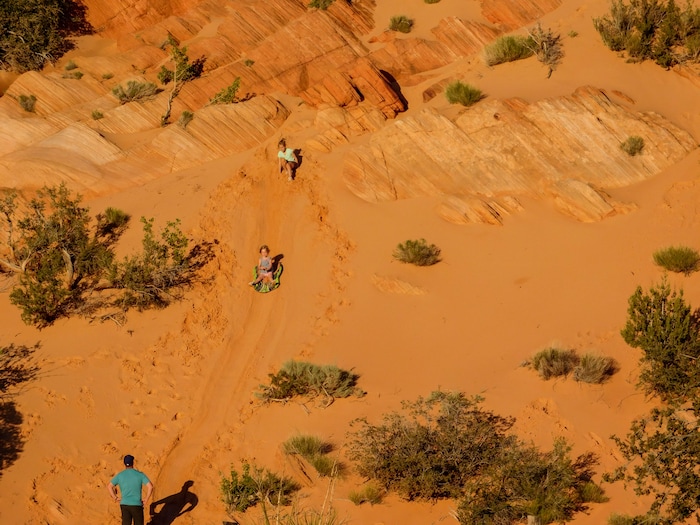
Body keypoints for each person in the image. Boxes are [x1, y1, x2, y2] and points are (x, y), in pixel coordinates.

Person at [108, 454, 154, 525]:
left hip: (124, 504)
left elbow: (109, 486)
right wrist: (146, 499)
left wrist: (115, 497)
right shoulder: (140, 474)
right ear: (133, 462)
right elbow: (150, 486)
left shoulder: (120, 475)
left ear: (124, 464)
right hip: (136, 505)